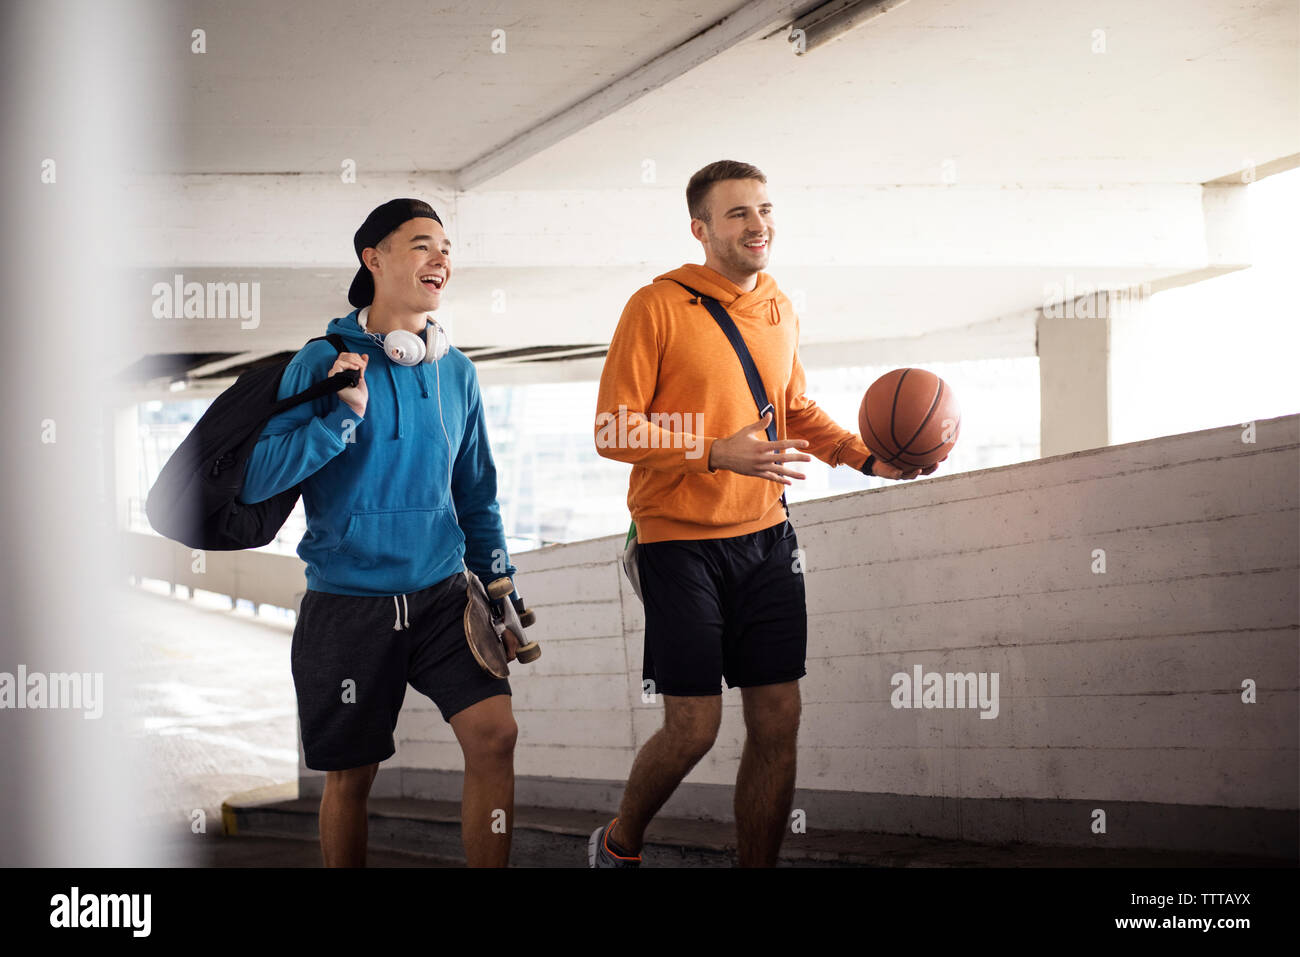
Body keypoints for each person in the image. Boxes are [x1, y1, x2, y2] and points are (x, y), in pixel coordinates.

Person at [590, 160, 937, 868]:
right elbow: (612, 430)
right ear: (701, 229)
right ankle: (620, 841)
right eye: (738, 213)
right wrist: (715, 450)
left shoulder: (779, 302)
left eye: (765, 209)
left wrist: (866, 456)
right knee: (694, 726)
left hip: (769, 539)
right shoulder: (654, 306)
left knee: (779, 718)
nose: (759, 225)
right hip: (676, 542)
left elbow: (793, 407)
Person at [237, 198, 522, 867]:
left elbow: (475, 488)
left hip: (444, 593)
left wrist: (501, 581)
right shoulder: (322, 359)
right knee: (352, 775)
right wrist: (338, 417)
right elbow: (257, 477)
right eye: (423, 244)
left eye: (447, 247)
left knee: (496, 735)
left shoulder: (456, 370)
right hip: (349, 604)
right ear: (375, 257)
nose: (441, 258)